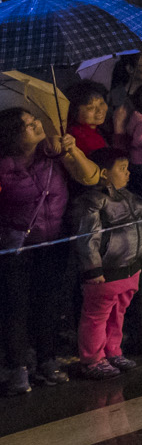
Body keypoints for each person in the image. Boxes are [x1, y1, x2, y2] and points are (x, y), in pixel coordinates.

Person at [0, 107, 96, 393]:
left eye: (35, 120)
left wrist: (72, 150)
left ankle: (47, 361)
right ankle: (18, 368)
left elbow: (90, 177)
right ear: (12, 135)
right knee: (16, 307)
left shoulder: (53, 155)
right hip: (17, 248)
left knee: (50, 303)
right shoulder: (4, 167)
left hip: (54, 242)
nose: (37, 125)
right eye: (28, 125)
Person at [68, 148, 142, 378]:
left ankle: (112, 350)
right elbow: (88, 239)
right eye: (122, 168)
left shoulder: (129, 196)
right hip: (106, 271)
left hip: (130, 268)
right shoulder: (92, 201)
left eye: (128, 168)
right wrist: (93, 269)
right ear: (104, 173)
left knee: (118, 312)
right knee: (97, 316)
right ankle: (92, 359)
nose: (128, 173)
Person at [64, 80, 113, 162]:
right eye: (90, 108)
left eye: (101, 103)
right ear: (74, 112)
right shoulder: (82, 140)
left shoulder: (97, 129)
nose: (100, 110)